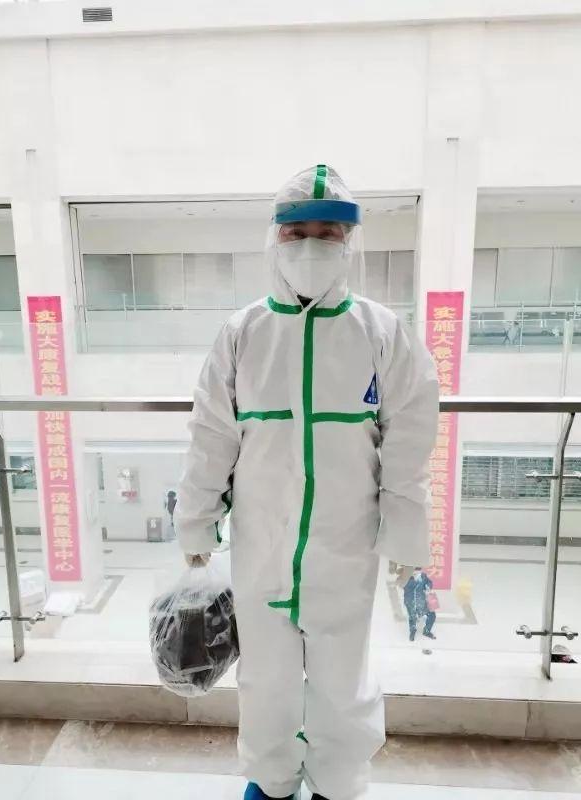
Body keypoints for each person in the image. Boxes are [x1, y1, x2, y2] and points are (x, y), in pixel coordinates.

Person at [175, 165, 439, 800]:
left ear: (349, 241)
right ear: (276, 238)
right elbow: (211, 436)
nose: (313, 245)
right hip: (262, 544)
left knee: (341, 679)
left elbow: (409, 443)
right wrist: (196, 522)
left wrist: (406, 537)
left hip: (345, 547)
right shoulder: (243, 334)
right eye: (298, 232)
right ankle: (270, 781)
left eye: (328, 231)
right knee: (265, 678)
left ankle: (337, 785)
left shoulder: (382, 333)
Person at [403, 567, 436, 642]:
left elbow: (429, 582)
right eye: (415, 572)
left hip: (422, 601)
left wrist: (428, 586)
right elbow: (406, 590)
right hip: (411, 602)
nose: (417, 573)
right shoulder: (408, 579)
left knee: (432, 615)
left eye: (419, 572)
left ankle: (426, 631)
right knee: (412, 617)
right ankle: (412, 631)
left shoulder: (423, 576)